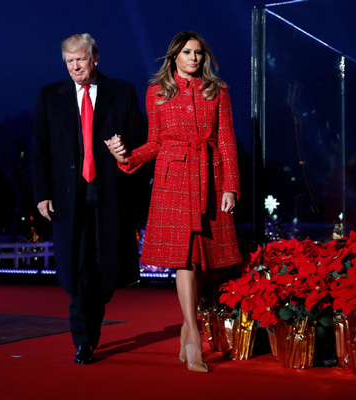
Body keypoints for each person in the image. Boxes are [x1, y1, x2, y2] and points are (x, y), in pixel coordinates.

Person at [106, 31, 242, 373]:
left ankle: (185, 326)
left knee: (201, 260)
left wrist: (230, 186)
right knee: (184, 258)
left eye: (198, 53)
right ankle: (193, 332)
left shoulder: (218, 91)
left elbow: (226, 140)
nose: (194, 58)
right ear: (174, 57)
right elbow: (154, 143)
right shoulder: (158, 92)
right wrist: (127, 157)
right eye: (187, 52)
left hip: (209, 179)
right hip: (173, 179)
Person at [31, 33, 147, 365]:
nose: (74, 66)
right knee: (79, 269)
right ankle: (84, 340)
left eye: (80, 59)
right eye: (69, 61)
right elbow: (39, 149)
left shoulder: (121, 91)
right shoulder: (49, 96)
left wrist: (124, 146)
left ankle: (92, 323)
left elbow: (140, 134)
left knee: (104, 271)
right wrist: (41, 195)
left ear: (95, 58)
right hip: (69, 198)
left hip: (109, 193)